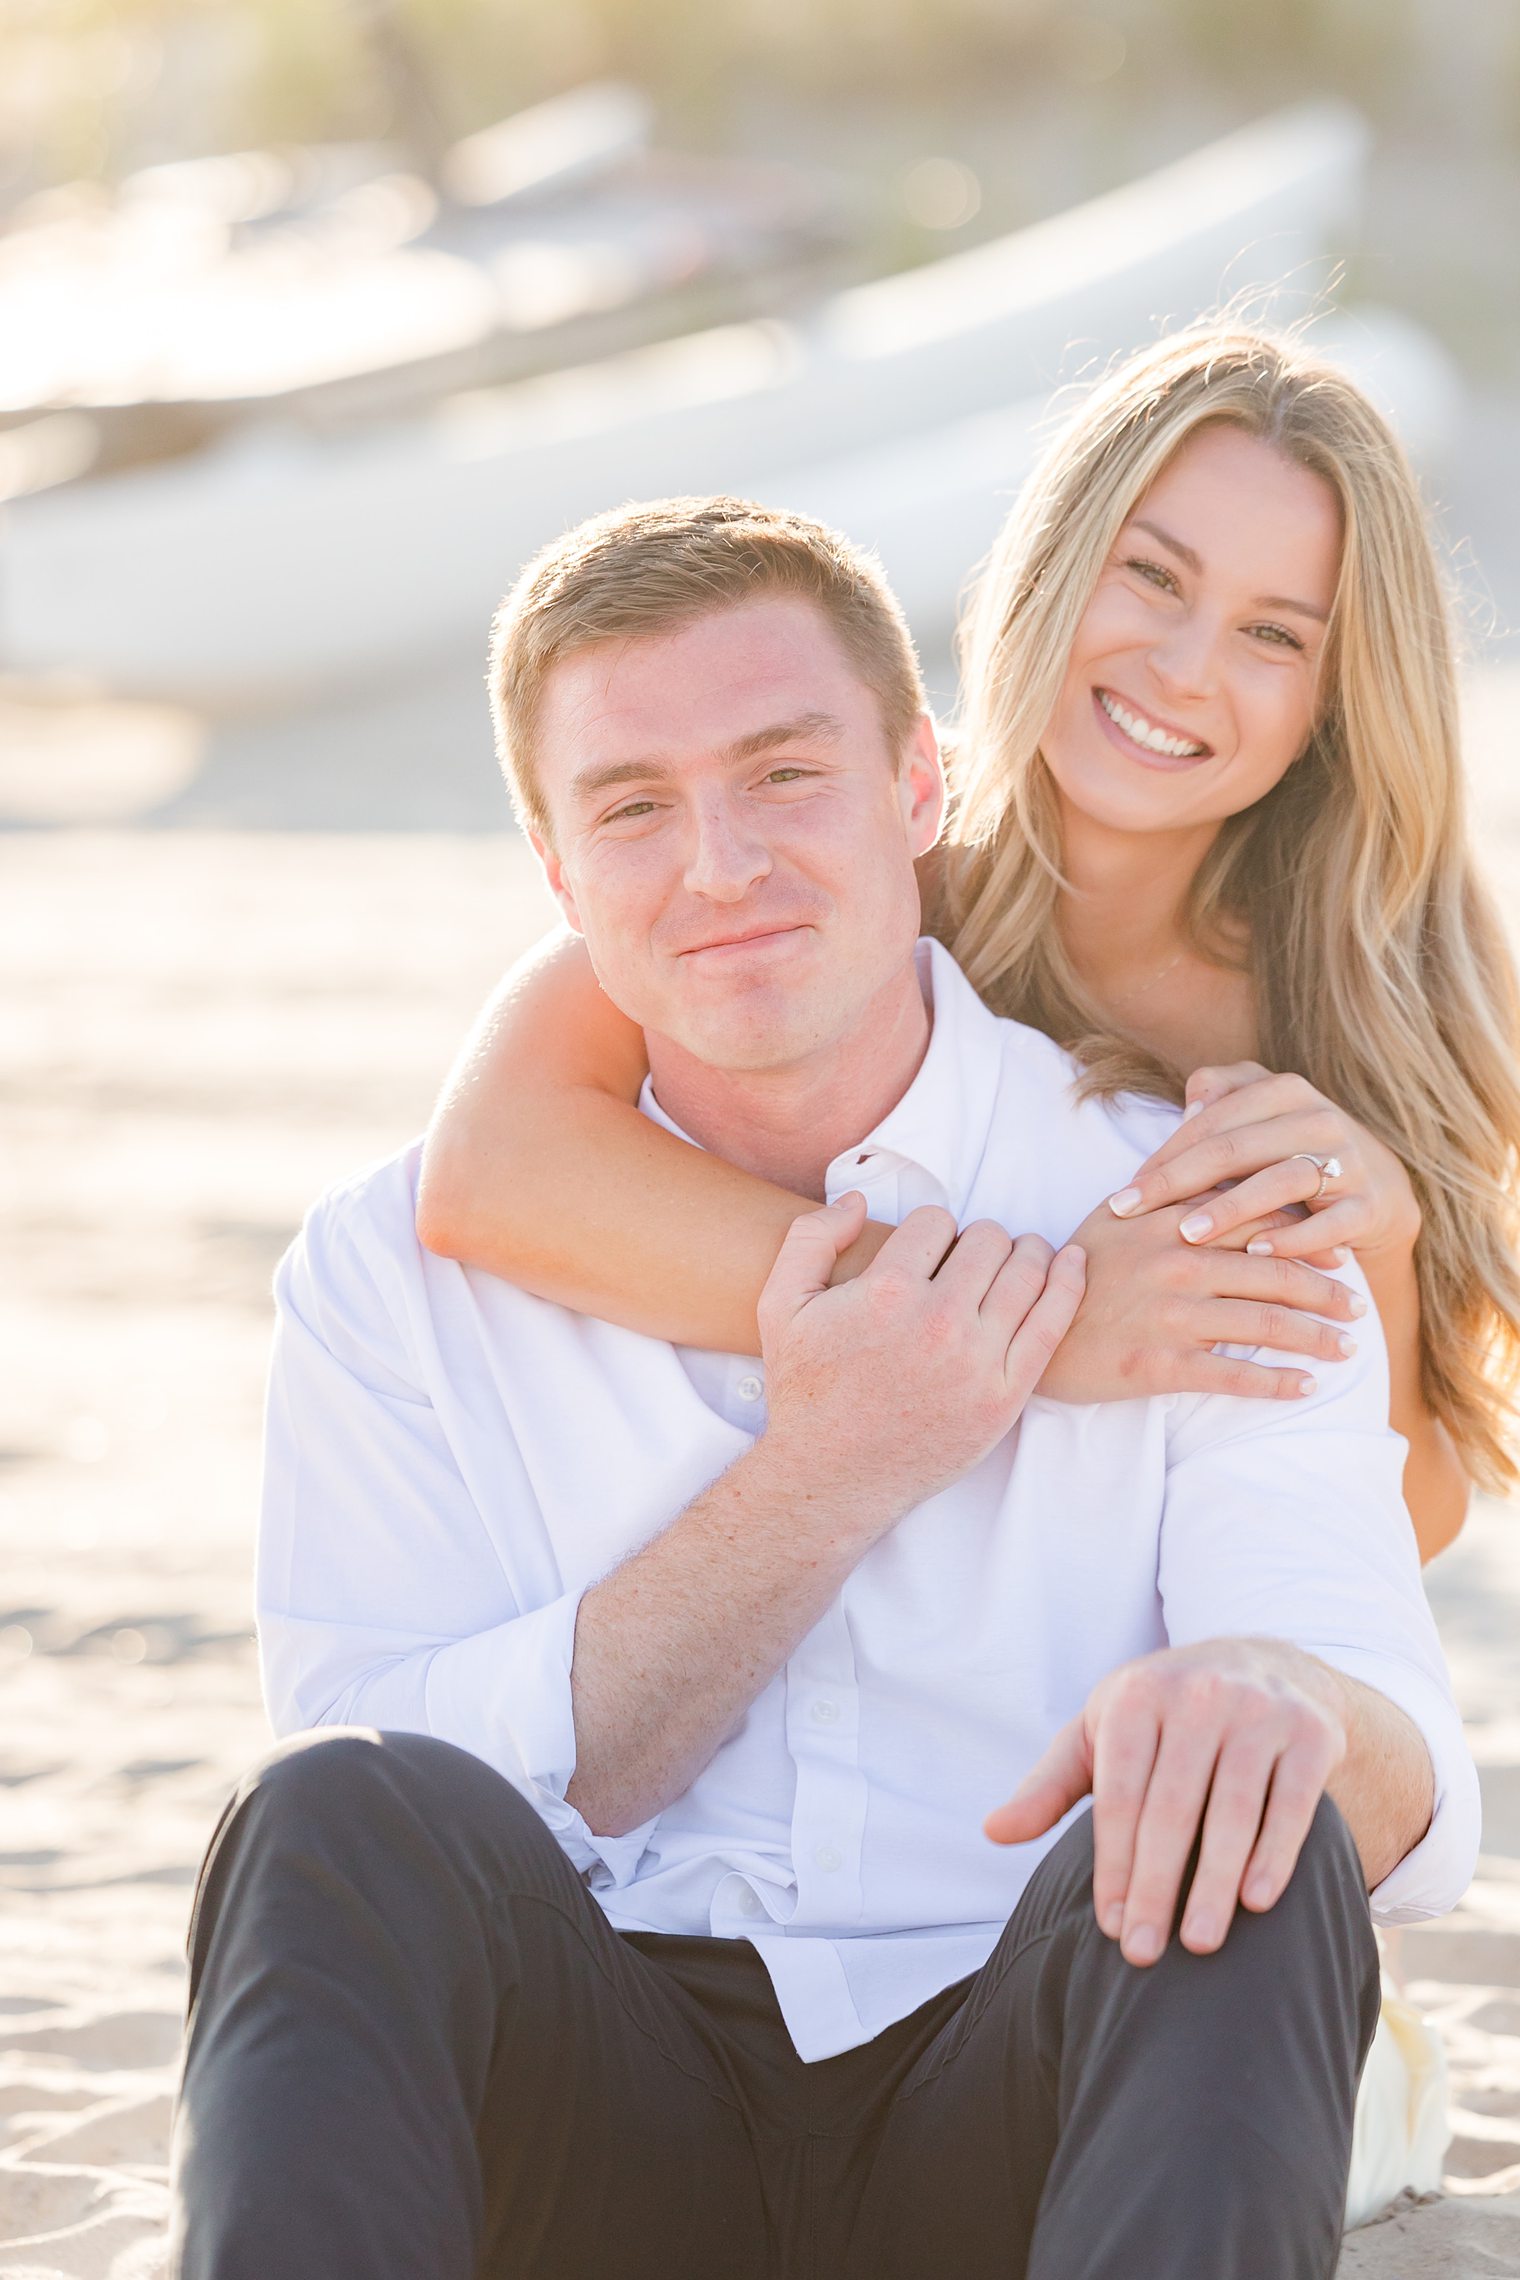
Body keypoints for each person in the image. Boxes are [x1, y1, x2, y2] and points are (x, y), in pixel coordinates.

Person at [171, 493, 1479, 2280]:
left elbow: (1411, 1795)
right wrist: (832, 1472)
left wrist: (1288, 1705)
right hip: (598, 2111)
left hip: (1017, 2092)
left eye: (785, 772)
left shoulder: (1199, 1208)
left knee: (1243, 1836)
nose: (718, 864)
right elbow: (389, 1795)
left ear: (920, 789)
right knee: (322, 1810)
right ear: (555, 876)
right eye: (633, 806)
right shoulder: (391, 1272)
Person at [416, 325, 1520, 1565]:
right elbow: (485, 1172)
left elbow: (1404, 1521)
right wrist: (1038, 1320)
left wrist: (1379, 1246)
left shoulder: (1399, 990)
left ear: (1337, 690)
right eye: (1150, 577)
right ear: (1052, 563)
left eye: (1273, 635)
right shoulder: (852, 855)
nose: (1182, 669)